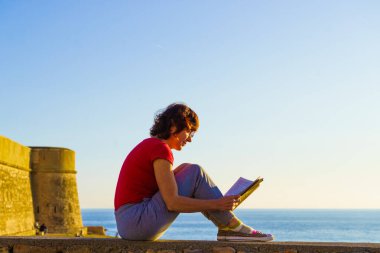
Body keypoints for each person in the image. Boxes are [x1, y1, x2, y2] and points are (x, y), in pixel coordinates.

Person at [114, 103, 273, 241]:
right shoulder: (159, 148)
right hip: (136, 223)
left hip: (130, 223)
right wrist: (217, 203)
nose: (190, 139)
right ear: (174, 125)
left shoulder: (151, 145)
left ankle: (228, 226)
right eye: (189, 131)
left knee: (186, 168)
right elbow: (172, 202)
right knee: (194, 172)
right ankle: (232, 226)